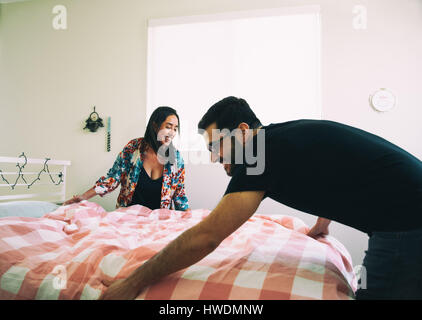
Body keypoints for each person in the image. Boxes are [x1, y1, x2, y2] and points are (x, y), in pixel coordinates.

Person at [100, 96, 422, 300]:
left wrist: (132, 283)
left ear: (242, 132)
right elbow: (338, 169)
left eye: (216, 146)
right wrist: (321, 225)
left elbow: (208, 237)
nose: (214, 158)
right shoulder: (280, 139)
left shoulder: (258, 153)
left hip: (407, 220)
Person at [63, 106, 190, 211]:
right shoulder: (133, 148)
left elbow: (179, 196)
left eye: (175, 129)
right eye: (168, 127)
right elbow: (112, 179)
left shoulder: (176, 159)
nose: (172, 133)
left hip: (159, 222)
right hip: (128, 218)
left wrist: (191, 219)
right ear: (155, 126)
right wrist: (83, 197)